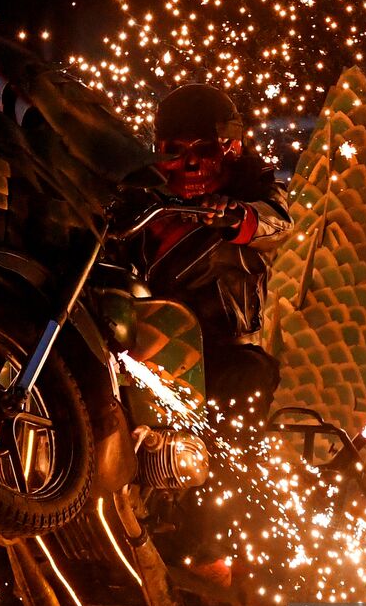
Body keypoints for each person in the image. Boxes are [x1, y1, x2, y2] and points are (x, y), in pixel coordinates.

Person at [124, 83, 291, 420]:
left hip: (219, 350)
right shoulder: (138, 196)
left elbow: (276, 222)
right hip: (139, 344)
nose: (189, 164)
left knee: (246, 379)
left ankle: (238, 471)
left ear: (230, 150)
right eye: (175, 151)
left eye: (204, 150)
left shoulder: (252, 190)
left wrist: (235, 217)